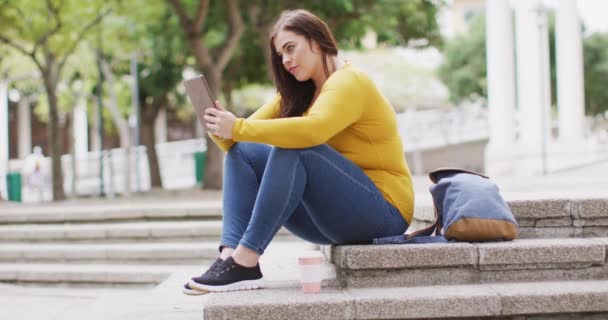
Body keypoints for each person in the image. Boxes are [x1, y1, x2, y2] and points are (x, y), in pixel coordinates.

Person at [183, 9, 414, 295]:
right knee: (244, 151)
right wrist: (220, 127)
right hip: (331, 220)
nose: (286, 60)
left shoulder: (350, 81)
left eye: (291, 49)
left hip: (384, 213)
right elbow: (239, 143)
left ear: (317, 41)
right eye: (280, 55)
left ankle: (246, 259)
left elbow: (312, 131)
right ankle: (230, 256)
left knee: (295, 149)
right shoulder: (299, 94)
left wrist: (238, 127)